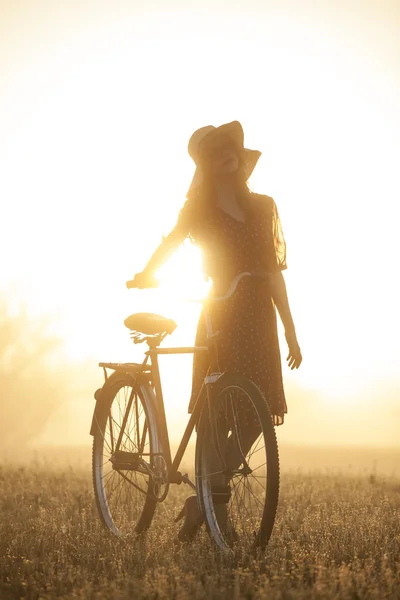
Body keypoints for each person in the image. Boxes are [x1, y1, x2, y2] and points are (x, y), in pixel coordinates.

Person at [131, 120, 302, 540]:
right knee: (214, 416)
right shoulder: (198, 210)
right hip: (220, 316)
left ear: (240, 157)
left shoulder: (262, 206)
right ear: (206, 163)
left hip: (259, 319)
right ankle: (216, 514)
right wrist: (148, 273)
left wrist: (291, 331)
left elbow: (274, 273)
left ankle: (201, 500)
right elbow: (173, 242)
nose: (227, 153)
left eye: (231, 147)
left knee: (256, 415)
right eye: (217, 150)